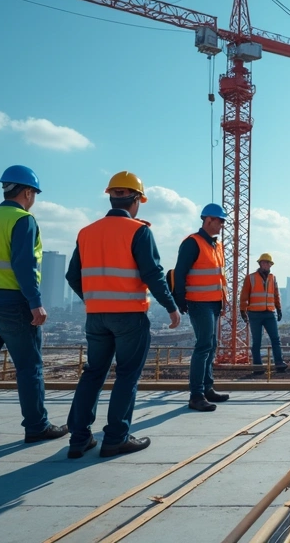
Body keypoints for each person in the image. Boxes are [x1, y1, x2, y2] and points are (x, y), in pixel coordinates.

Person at [66, 171, 181, 459]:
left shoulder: (86, 232)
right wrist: (170, 305)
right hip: (129, 315)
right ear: (137, 200)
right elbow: (153, 274)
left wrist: (93, 298)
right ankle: (116, 438)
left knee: (93, 374)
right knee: (127, 376)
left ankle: (79, 439)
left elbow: (71, 276)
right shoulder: (138, 231)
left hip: (96, 316)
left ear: (111, 196)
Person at [0, 165, 67, 453]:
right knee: (29, 368)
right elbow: (24, 264)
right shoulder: (23, 220)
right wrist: (35, 302)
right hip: (13, 305)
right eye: (35, 195)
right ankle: (37, 427)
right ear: (28, 192)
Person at [172, 203, 232, 412]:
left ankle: (207, 388)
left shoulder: (216, 246)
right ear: (208, 220)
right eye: (220, 221)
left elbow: (218, 278)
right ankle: (196, 395)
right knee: (204, 346)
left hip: (213, 302)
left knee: (211, 345)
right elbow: (180, 273)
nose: (222, 225)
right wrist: (180, 299)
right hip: (199, 302)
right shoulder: (192, 243)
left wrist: (223, 302)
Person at [240, 253, 287, 373]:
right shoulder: (251, 278)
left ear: (271, 265)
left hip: (269, 313)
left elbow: (276, 294)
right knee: (257, 341)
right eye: (264, 262)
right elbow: (244, 295)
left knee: (275, 339)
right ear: (260, 263)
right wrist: (243, 310)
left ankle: (279, 363)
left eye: (268, 263)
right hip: (254, 314)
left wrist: (279, 308)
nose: (266, 265)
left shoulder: (272, 278)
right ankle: (257, 366)